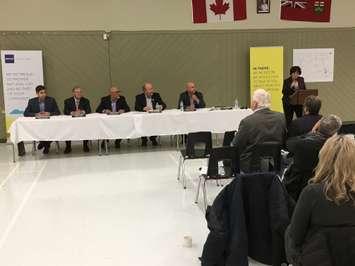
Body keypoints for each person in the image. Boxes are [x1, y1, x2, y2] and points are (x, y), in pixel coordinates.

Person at [285, 134, 355, 265]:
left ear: (324, 158)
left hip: (319, 259)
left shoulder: (312, 192)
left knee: (289, 231)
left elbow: (296, 236)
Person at [284, 115, 342, 201]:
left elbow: (288, 143)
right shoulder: (338, 149)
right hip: (325, 190)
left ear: (318, 126)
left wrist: (312, 132)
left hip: (297, 189)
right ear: (335, 132)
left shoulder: (302, 144)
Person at [231, 89, 286, 172]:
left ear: (255, 104)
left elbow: (235, 146)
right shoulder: (281, 118)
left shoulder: (247, 122)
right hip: (276, 164)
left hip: (251, 166)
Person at [18, 85, 60, 155]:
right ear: (37, 93)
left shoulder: (51, 100)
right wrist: (36, 114)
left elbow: (58, 112)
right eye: (41, 93)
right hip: (37, 125)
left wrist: (49, 113)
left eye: (45, 92)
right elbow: (26, 113)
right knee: (38, 130)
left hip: (49, 124)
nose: (44, 94)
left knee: (53, 130)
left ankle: (44, 143)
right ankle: (46, 144)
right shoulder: (32, 101)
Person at [135, 82, 167, 147]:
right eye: (149, 89)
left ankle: (153, 138)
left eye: (152, 89)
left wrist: (161, 107)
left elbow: (164, 104)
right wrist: (143, 108)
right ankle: (144, 139)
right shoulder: (139, 97)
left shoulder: (156, 95)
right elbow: (136, 107)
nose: (151, 91)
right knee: (141, 123)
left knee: (158, 122)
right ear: (144, 91)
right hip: (144, 117)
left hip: (154, 117)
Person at [63, 86, 92, 154]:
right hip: (71, 122)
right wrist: (72, 113)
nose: (79, 93)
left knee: (86, 127)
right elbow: (65, 111)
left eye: (80, 92)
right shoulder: (67, 101)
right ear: (73, 93)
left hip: (82, 121)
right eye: (77, 92)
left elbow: (89, 110)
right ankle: (68, 146)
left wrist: (82, 112)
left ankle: (85, 145)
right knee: (66, 128)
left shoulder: (86, 100)